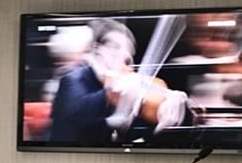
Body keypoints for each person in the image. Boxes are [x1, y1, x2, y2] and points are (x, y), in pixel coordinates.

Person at [49, 18, 189, 146]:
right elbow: (78, 114)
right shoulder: (75, 78)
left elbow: (140, 134)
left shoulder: (130, 87)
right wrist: (111, 93)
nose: (126, 55)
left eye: (129, 51)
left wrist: (171, 100)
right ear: (97, 50)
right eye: (116, 47)